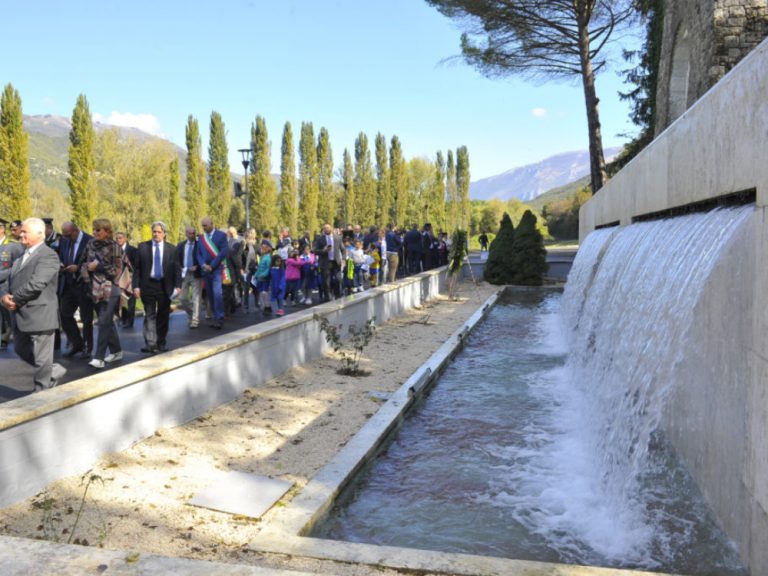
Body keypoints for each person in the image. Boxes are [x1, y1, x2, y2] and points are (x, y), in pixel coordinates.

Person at [1, 218, 67, 391]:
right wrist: (3, 296)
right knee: (21, 349)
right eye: (21, 231)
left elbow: (37, 284)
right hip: (21, 315)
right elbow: (9, 280)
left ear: (40, 234)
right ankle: (52, 370)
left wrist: (14, 299)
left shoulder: (49, 255)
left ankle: (41, 395)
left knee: (42, 358)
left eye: (25, 232)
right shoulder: (22, 256)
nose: (20, 234)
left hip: (40, 314)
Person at [80, 218, 123, 369]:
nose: (95, 232)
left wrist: (98, 266)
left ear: (107, 231)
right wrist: (86, 267)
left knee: (103, 321)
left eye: (98, 230)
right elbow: (83, 261)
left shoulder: (115, 246)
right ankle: (117, 351)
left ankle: (99, 357)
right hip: (94, 289)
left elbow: (117, 271)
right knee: (107, 321)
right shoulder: (90, 244)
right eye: (94, 229)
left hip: (110, 289)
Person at [133, 221, 181, 354]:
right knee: (149, 315)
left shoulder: (172, 249)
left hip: (165, 286)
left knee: (163, 315)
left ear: (164, 234)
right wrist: (136, 286)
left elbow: (177, 268)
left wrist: (178, 285)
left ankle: (161, 342)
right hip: (147, 285)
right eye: (154, 231)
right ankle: (150, 343)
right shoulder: (142, 247)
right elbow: (137, 269)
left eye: (159, 232)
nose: (156, 234)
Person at [58, 221, 94, 358]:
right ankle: (76, 343)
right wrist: (61, 265)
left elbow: (94, 262)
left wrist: (78, 268)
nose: (65, 238)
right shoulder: (64, 241)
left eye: (67, 235)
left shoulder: (89, 240)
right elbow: (62, 256)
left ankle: (87, 347)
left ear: (75, 231)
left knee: (86, 318)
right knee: (64, 314)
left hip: (83, 284)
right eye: (64, 235)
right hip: (68, 284)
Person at [196, 217, 228, 330]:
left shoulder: (221, 236)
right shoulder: (201, 238)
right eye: (202, 226)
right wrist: (203, 265)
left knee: (217, 293)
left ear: (211, 224)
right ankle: (215, 317)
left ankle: (220, 317)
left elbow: (223, 252)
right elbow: (198, 254)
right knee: (210, 295)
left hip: (217, 269)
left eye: (205, 225)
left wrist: (212, 265)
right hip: (205, 270)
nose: (203, 228)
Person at [0, 218, 23, 350]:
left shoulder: (13, 245)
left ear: (2, 229)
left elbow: (19, 266)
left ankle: (17, 341)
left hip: (6, 286)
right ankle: (3, 338)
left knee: (9, 316)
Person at [177, 226, 201, 328]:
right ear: (186, 234)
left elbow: (204, 258)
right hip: (184, 274)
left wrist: (198, 266)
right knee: (182, 298)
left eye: (193, 233)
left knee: (196, 298)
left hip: (196, 274)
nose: (192, 235)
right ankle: (191, 313)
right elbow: (177, 260)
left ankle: (195, 320)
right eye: (190, 233)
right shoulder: (180, 245)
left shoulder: (200, 245)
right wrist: (185, 268)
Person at [314, 223, 342, 302]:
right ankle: (328, 297)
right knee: (326, 281)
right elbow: (315, 251)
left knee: (338, 279)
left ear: (331, 228)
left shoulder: (337, 238)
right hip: (326, 263)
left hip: (336, 262)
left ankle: (337, 295)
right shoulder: (320, 239)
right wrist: (323, 250)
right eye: (325, 228)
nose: (326, 229)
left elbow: (343, 249)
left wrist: (343, 259)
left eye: (328, 228)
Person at [115, 231, 137, 328]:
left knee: (131, 301)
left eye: (120, 238)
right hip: (119, 279)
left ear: (125, 239)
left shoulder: (133, 250)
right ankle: (123, 319)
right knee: (121, 300)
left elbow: (136, 265)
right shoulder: (115, 250)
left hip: (130, 278)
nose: (118, 240)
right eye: (117, 238)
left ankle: (130, 321)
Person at [242, 228, 259, 312]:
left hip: (255, 269)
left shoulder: (256, 244)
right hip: (246, 270)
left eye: (254, 233)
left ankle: (256, 304)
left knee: (256, 287)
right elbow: (240, 257)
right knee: (246, 288)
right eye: (253, 233)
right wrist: (241, 268)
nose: (254, 234)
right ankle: (245, 306)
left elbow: (261, 254)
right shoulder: (244, 245)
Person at [254, 240, 272, 314]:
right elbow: (259, 268)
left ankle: (268, 307)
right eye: (262, 248)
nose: (261, 250)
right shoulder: (263, 257)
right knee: (261, 292)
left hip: (264, 278)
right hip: (260, 278)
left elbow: (268, 268)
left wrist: (263, 274)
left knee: (265, 292)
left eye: (263, 249)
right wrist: (256, 275)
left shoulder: (267, 258)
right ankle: (265, 306)